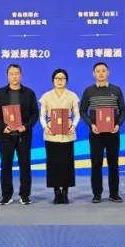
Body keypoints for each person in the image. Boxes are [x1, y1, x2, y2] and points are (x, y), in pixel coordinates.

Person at [0, 64, 39, 205]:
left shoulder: (29, 93)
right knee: (6, 166)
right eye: (11, 74)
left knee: (25, 166)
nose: (14, 76)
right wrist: (2, 127)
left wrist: (26, 126)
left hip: (23, 135)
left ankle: (25, 195)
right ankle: (6, 195)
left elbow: (35, 113)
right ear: (7, 76)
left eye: (17, 73)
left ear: (21, 75)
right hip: (6, 136)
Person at [79, 62, 125, 204]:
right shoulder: (89, 91)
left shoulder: (116, 90)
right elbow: (83, 111)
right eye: (98, 71)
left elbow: (123, 110)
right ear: (93, 73)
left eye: (103, 70)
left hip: (113, 133)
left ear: (108, 72)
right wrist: (91, 124)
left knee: (113, 164)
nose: (101, 73)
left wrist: (118, 124)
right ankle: (97, 194)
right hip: (96, 134)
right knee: (96, 164)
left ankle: (114, 194)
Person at [40, 68, 80, 204]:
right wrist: (45, 127)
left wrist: (73, 125)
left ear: (66, 81)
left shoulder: (72, 95)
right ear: (53, 80)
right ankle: (57, 193)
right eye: (57, 78)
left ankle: (66, 192)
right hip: (51, 133)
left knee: (67, 164)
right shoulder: (46, 96)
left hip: (67, 132)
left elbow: (77, 114)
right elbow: (42, 115)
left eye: (62, 78)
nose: (60, 81)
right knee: (54, 164)